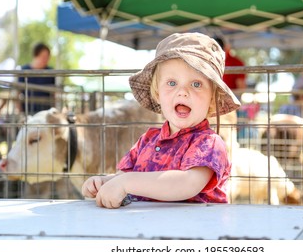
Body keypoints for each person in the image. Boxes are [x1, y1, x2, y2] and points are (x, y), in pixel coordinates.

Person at [81, 32, 241, 209]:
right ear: (157, 94)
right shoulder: (147, 140)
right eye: (172, 83)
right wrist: (104, 182)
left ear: (212, 99)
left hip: (196, 231)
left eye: (196, 84)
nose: (182, 92)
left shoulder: (209, 143)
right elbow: (123, 175)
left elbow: (187, 184)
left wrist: (127, 182)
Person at [18, 42, 55, 115]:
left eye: (48, 57)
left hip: (45, 113)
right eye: (43, 57)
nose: (46, 60)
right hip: (27, 112)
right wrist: (20, 113)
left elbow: (54, 95)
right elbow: (18, 93)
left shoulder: (50, 72)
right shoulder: (24, 70)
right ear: (35, 55)